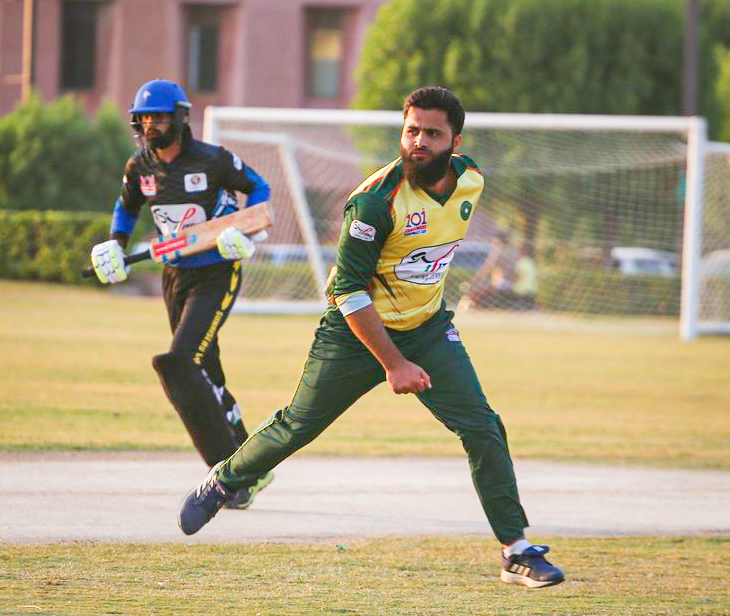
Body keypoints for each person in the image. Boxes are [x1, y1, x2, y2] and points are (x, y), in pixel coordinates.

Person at [177, 86, 564, 588]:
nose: (419, 141)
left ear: (455, 141)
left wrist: (415, 337)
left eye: (432, 133)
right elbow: (347, 290)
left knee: (483, 428)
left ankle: (517, 551)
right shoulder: (375, 202)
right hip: (354, 334)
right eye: (412, 130)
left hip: (427, 329)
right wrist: (394, 364)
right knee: (298, 426)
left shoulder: (471, 180)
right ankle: (225, 478)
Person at [90, 78, 274, 510]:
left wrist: (246, 230)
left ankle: (231, 476)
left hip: (217, 271)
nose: (151, 125)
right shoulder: (140, 167)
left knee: (180, 362)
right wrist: (116, 242)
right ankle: (254, 464)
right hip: (174, 276)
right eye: (144, 119)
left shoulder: (213, 160)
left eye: (159, 117)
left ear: (180, 118)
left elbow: (260, 189)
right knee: (206, 373)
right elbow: (126, 206)